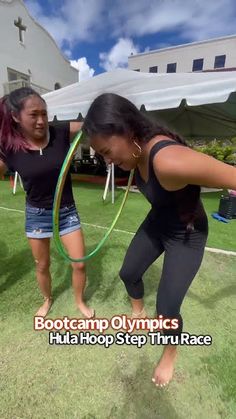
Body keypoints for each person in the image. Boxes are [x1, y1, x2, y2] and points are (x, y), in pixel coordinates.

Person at [82, 93, 236, 387]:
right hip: (158, 222)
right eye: (101, 155)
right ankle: (138, 314)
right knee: (128, 273)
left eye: (105, 151)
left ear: (126, 130)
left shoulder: (167, 160)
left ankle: (170, 352)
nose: (106, 161)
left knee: (166, 308)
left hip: (186, 235)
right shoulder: (136, 150)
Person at [0, 87, 94, 319]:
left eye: (44, 113)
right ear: (15, 117)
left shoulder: (61, 133)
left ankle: (79, 301)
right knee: (42, 265)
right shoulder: (10, 148)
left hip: (66, 211)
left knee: (79, 263)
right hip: (37, 214)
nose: (41, 120)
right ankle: (47, 299)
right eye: (34, 115)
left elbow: (93, 124)